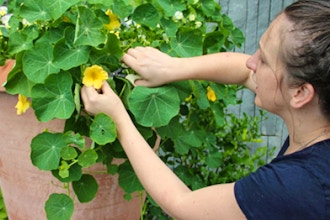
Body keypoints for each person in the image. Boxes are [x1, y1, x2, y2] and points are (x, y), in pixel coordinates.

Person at [81, 0, 330, 219]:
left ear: (300, 93)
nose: (250, 61)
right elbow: (244, 72)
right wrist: (172, 67)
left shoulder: (297, 186)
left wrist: (117, 117)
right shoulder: (315, 117)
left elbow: (182, 204)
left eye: (263, 59)